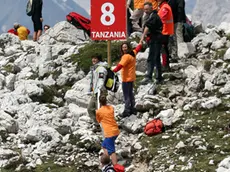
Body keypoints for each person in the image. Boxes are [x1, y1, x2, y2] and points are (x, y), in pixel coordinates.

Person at [113, 42, 142, 117]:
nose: (124, 49)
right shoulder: (133, 53)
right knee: (130, 94)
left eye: (125, 47)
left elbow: (120, 66)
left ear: (128, 48)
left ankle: (127, 111)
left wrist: (113, 71)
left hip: (126, 79)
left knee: (127, 96)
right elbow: (137, 49)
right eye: (123, 47)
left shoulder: (126, 56)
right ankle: (133, 108)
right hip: (131, 78)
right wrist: (140, 43)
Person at [139, 2, 163, 85]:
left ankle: (148, 77)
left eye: (147, 9)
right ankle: (159, 77)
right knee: (156, 58)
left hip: (155, 39)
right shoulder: (151, 16)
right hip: (156, 38)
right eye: (144, 9)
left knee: (151, 58)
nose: (145, 11)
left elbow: (148, 26)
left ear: (151, 8)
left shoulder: (153, 16)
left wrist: (142, 38)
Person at [96, 94, 120, 166]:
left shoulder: (98, 112)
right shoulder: (111, 108)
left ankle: (115, 166)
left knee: (111, 151)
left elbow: (98, 120)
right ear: (106, 101)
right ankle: (107, 160)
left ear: (99, 102)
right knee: (104, 145)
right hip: (115, 130)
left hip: (109, 133)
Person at [87, 54, 108, 131]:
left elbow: (101, 79)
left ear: (99, 59)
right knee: (90, 108)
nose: (93, 60)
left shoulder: (101, 68)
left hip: (100, 92)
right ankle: (97, 124)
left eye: (95, 58)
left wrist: (100, 88)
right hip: (95, 92)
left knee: (100, 110)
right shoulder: (95, 68)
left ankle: (104, 126)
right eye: (92, 58)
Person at [157, 0, 174, 71]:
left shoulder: (164, 7)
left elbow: (161, 18)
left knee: (163, 49)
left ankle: (165, 65)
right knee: (165, 49)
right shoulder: (164, 7)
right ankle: (166, 65)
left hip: (164, 31)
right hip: (165, 31)